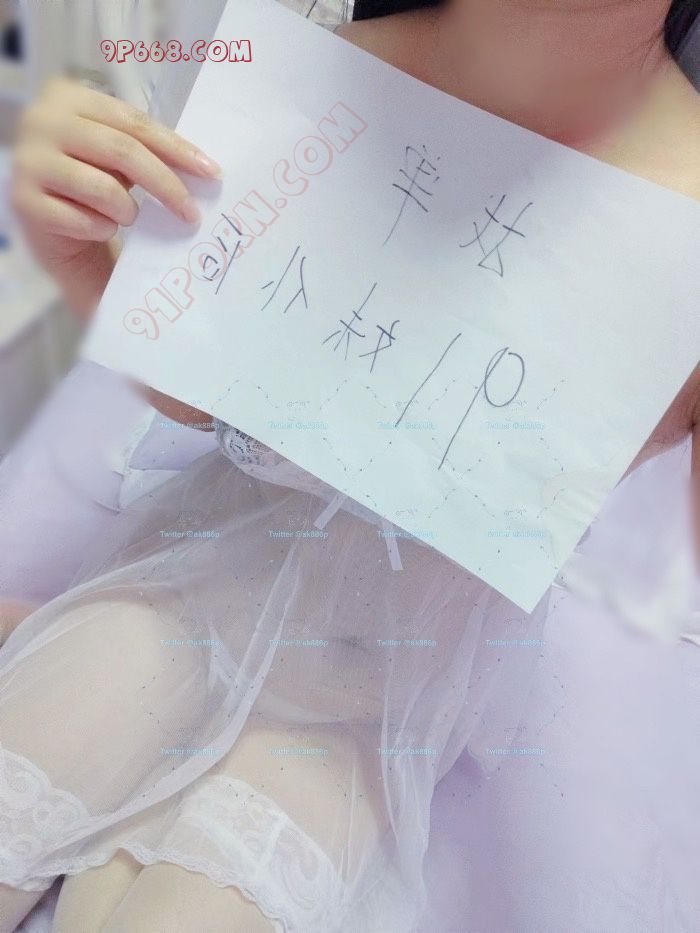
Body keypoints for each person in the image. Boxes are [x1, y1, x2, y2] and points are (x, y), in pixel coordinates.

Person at [1, 0, 698, 930]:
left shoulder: (682, 218)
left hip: (378, 688)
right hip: (196, 575)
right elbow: (200, 391)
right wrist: (86, 258)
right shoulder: (314, 68)